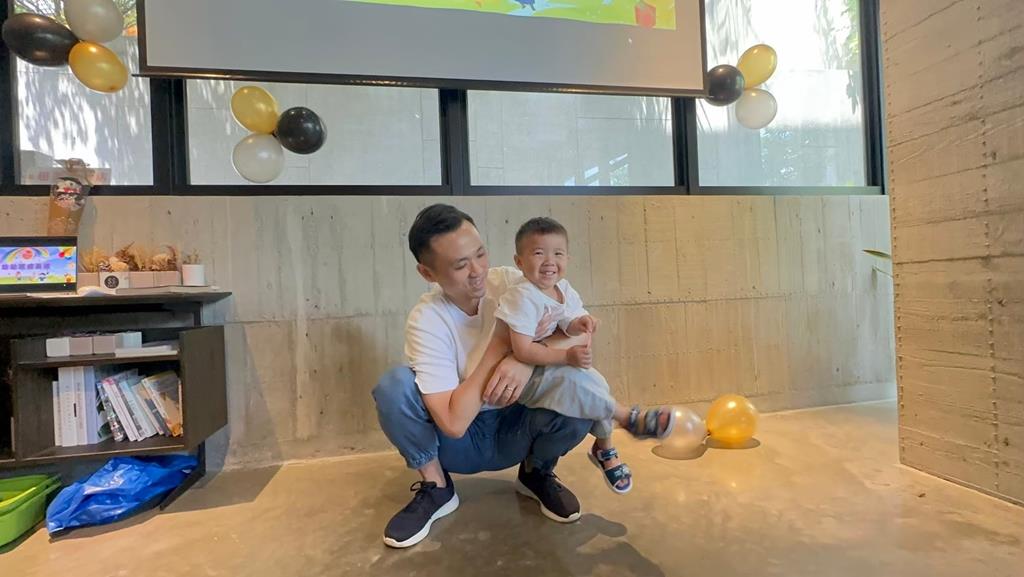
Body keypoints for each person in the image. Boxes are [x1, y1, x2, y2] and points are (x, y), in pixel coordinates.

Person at [372, 204, 594, 549]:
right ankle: (437, 488)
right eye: (461, 265)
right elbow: (453, 423)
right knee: (394, 387)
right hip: (461, 443)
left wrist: (524, 359)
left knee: (582, 385)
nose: (478, 271)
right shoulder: (427, 319)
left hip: (518, 424)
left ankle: (536, 471)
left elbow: (579, 334)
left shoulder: (512, 283)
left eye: (480, 254)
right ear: (427, 273)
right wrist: (502, 345)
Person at [496, 217, 675, 495]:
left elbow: (568, 320)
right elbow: (522, 350)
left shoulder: (563, 289)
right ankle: (628, 419)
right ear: (519, 262)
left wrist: (578, 323)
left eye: (558, 253)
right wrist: (567, 356)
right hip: (522, 379)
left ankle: (604, 447)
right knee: (581, 386)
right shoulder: (522, 296)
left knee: (595, 383)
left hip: (548, 365)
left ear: (568, 258)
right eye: (539, 253)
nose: (549, 261)